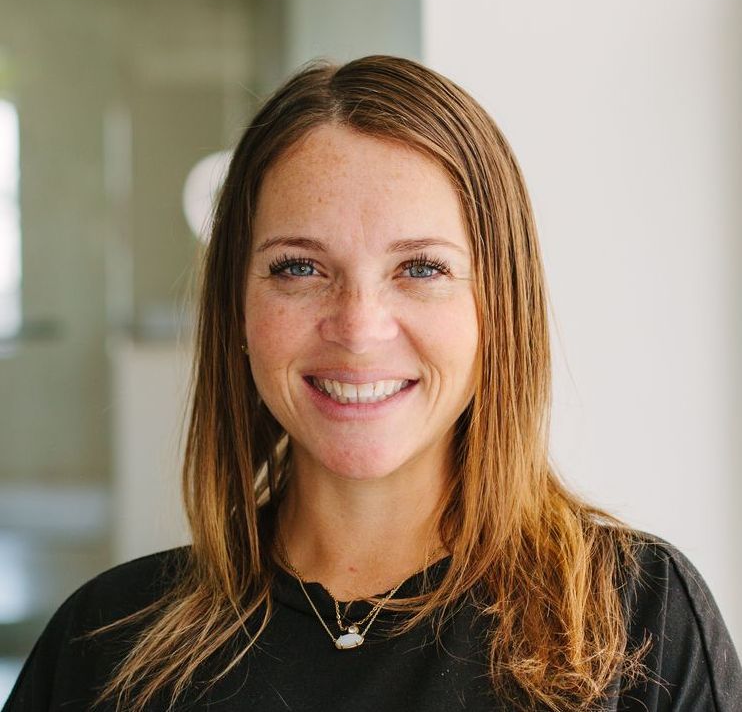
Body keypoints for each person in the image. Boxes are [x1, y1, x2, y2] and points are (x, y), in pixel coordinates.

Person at [4, 55, 741, 712]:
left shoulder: (638, 619)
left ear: (499, 308)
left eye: (421, 268)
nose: (358, 327)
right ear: (238, 305)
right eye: (300, 267)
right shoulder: (102, 649)